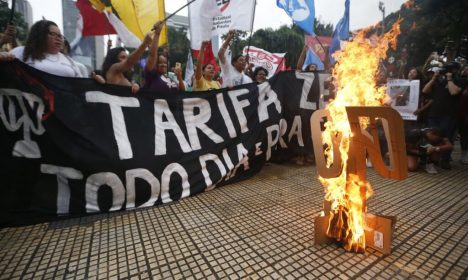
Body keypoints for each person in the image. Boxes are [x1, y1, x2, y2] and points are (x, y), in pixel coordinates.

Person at [421, 61, 462, 169]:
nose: (447, 71)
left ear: (456, 70)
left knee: (446, 137)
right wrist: (433, 79)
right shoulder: (439, 81)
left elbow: (454, 92)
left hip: (448, 115)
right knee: (431, 137)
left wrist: (449, 79)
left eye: (451, 69)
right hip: (433, 114)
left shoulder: (459, 80)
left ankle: (445, 160)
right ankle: (430, 160)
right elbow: (425, 90)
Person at [9, 20, 82, 77]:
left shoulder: (69, 60)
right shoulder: (21, 52)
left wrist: (92, 82)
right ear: (40, 35)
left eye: (60, 36)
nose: (58, 38)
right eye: (53, 34)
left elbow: (81, 84)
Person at [143, 21, 185, 92]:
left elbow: (182, 92)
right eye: (160, 62)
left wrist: (180, 78)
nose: (163, 65)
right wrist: (157, 33)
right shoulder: (152, 76)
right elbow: (152, 55)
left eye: (165, 63)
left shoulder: (170, 78)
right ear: (154, 64)